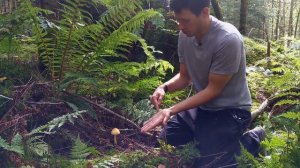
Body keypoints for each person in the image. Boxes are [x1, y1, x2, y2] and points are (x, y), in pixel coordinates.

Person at [141, 0, 264, 167]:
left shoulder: (228, 39)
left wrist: (170, 110)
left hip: (230, 110)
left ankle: (253, 139)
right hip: (201, 108)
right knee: (165, 143)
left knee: (211, 162)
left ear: (205, 12)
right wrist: (164, 87)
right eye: (178, 20)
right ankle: (203, 136)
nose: (180, 26)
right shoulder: (185, 35)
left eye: (185, 20)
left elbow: (213, 90)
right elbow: (185, 77)